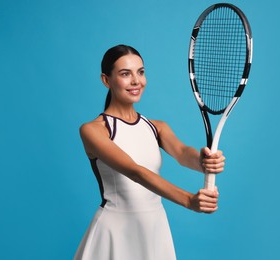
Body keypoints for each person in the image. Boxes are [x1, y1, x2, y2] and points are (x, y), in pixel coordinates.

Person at [74, 44, 226, 260]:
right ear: (106, 80)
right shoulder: (92, 130)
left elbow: (183, 153)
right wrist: (188, 200)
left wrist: (204, 161)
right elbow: (135, 171)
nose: (137, 81)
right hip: (114, 232)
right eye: (125, 74)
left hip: (154, 229)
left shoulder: (157, 127)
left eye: (141, 72)